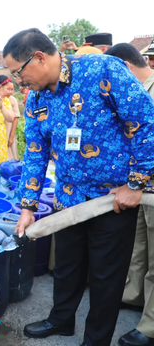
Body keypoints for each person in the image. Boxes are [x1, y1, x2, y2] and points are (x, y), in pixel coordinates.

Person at [3, 28, 154, 346]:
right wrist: (27, 207)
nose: (18, 81)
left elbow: (144, 122)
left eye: (18, 71)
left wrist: (136, 184)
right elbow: (34, 152)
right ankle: (61, 320)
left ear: (39, 58)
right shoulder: (36, 98)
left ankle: (95, 340)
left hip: (111, 200)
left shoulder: (103, 70)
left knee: (105, 278)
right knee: (67, 267)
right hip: (68, 199)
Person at [105, 43, 154, 346]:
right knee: (140, 246)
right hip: (139, 183)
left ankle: (150, 327)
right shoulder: (140, 88)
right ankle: (134, 295)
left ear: (123, 66)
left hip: (148, 184)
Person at [6, 94, 21, 160]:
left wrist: (11, 137)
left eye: (11, 89)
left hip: (9, 132)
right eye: (8, 89)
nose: (10, 92)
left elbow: (16, 118)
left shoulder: (12, 100)